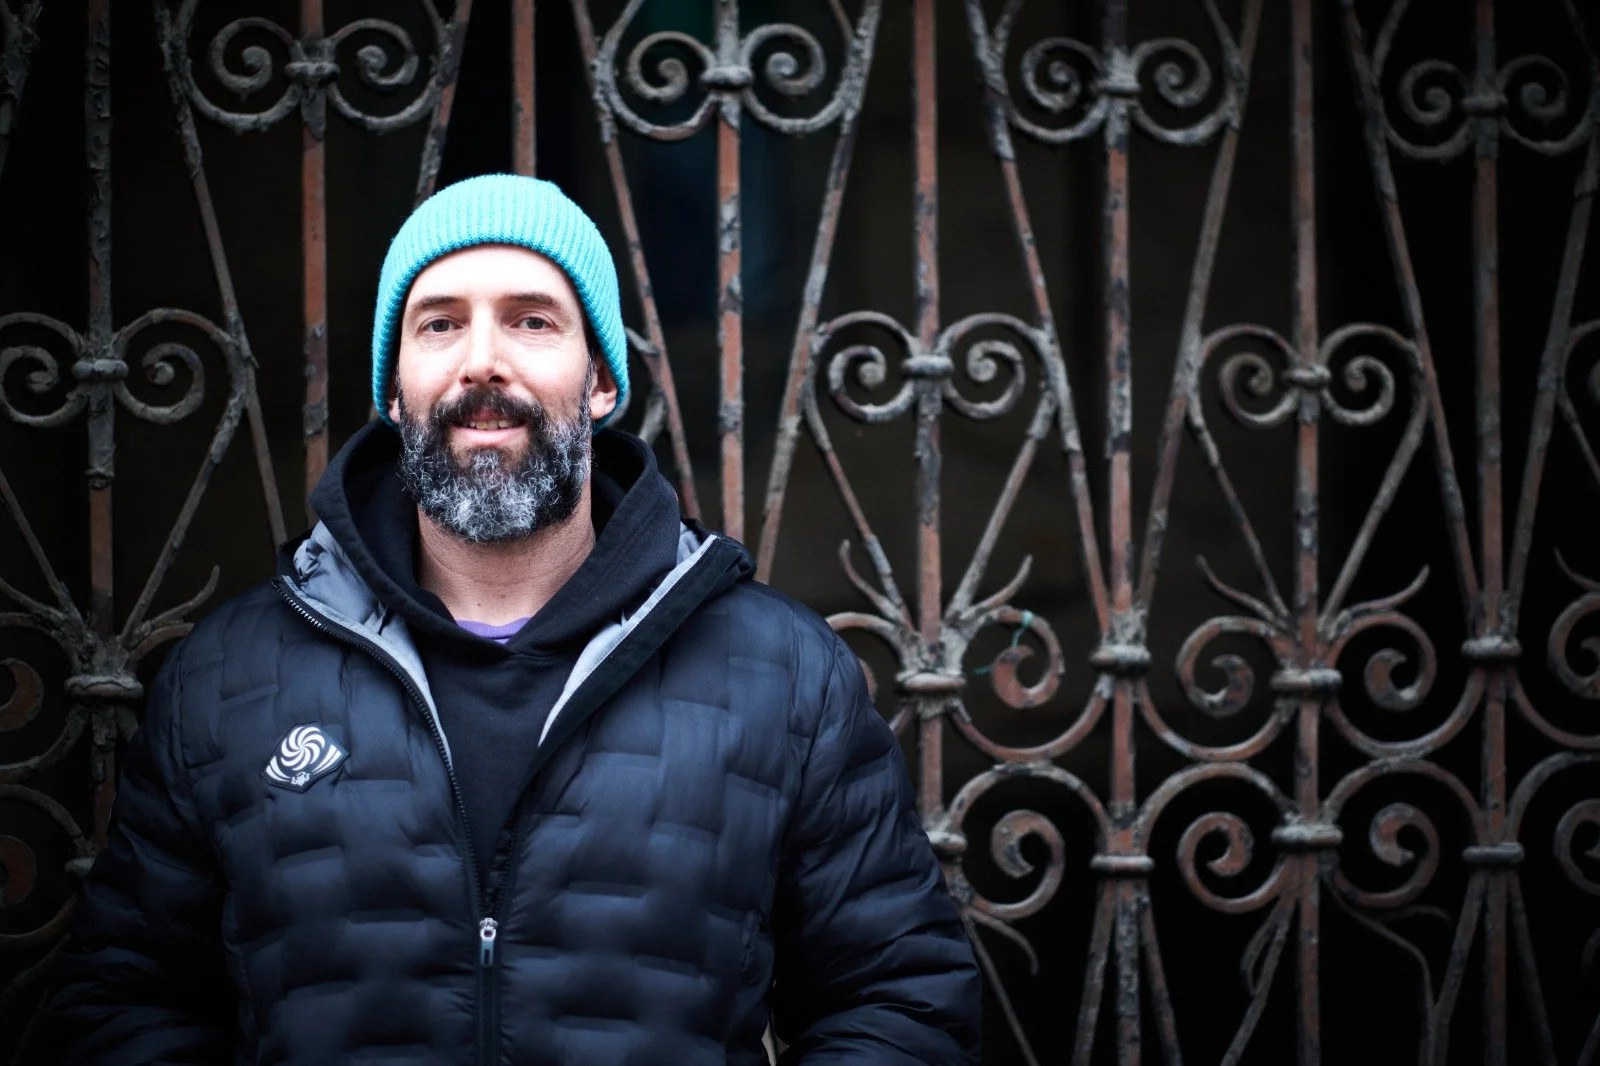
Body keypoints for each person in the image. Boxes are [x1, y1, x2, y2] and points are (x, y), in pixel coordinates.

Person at [48, 173, 982, 1064]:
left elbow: (898, 996)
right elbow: (127, 1002)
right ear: (393, 389)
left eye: (532, 321)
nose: (482, 361)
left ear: (602, 382)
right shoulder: (231, 677)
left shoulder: (780, 672)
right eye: (440, 324)